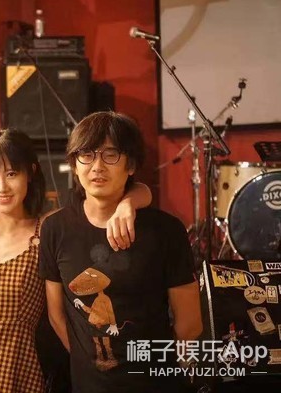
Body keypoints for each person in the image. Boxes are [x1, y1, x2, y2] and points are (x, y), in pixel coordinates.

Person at [0, 128, 152, 393]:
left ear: (31, 172)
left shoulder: (49, 229)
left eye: (11, 174)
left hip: (13, 375)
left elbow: (132, 191)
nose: (2, 187)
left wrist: (128, 204)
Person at [39, 112, 202, 393]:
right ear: (74, 165)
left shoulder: (165, 230)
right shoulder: (55, 229)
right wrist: (89, 367)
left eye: (111, 154)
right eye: (86, 155)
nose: (97, 166)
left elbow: (190, 324)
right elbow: (57, 315)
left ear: (131, 165)